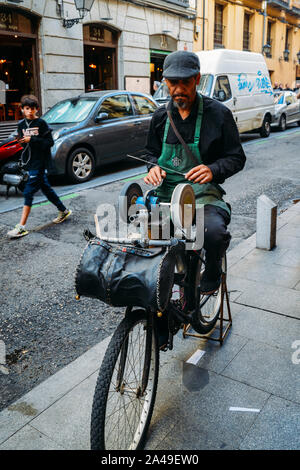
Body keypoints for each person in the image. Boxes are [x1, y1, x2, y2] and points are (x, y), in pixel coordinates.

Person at [144, 51, 246, 295]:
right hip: (167, 195)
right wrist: (153, 168)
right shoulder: (160, 117)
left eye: (185, 82)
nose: (178, 89)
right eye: (172, 82)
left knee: (212, 233)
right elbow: (149, 153)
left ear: (197, 79)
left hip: (204, 195)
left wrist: (213, 170)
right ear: (164, 82)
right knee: (149, 243)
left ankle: (212, 271)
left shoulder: (219, 114)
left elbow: (237, 158)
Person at [7, 95, 72, 239]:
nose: (30, 111)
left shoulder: (41, 123)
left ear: (37, 109)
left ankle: (21, 227)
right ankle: (64, 210)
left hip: (40, 163)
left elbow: (49, 142)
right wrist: (22, 142)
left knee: (28, 192)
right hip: (29, 163)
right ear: (22, 109)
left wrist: (33, 139)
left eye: (33, 108)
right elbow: (23, 144)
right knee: (46, 189)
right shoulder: (21, 125)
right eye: (27, 108)